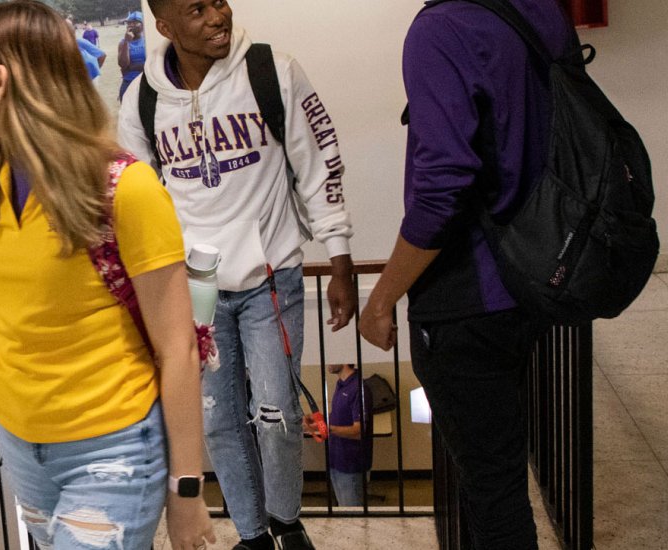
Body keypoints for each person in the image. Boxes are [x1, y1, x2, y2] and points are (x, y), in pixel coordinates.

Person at [0, 3, 215, 550]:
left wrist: (187, 491)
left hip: (114, 448)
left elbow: (179, 348)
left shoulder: (127, 189)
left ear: (2, 79)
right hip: (21, 447)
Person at [118, 1, 356, 548]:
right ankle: (251, 535)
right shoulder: (142, 100)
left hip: (272, 272)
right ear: (165, 26)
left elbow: (318, 161)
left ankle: (286, 523)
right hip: (196, 283)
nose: (217, 16)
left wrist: (339, 256)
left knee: (275, 414)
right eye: (197, 9)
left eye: (219, 1)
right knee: (218, 421)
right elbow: (138, 203)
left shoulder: (271, 70)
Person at [356, 0, 571, 548]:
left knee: (492, 491)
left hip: (466, 293)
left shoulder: (438, 29)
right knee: (494, 473)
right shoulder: (539, 10)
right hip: (533, 274)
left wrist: (382, 299)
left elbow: (442, 185)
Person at [323, 363, 371, 507]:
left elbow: (359, 431)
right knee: (344, 511)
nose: (327, 363)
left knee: (352, 516)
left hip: (351, 465)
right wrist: (316, 422)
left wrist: (328, 429)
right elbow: (338, 417)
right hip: (336, 461)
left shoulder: (358, 388)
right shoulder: (341, 384)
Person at [116, 11, 146, 97]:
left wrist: (134, 66)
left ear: (143, 25)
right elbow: (123, 64)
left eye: (135, 22)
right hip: (129, 82)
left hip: (146, 82)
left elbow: (152, 64)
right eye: (129, 23)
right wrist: (126, 42)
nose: (131, 25)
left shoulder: (147, 40)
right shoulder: (123, 43)